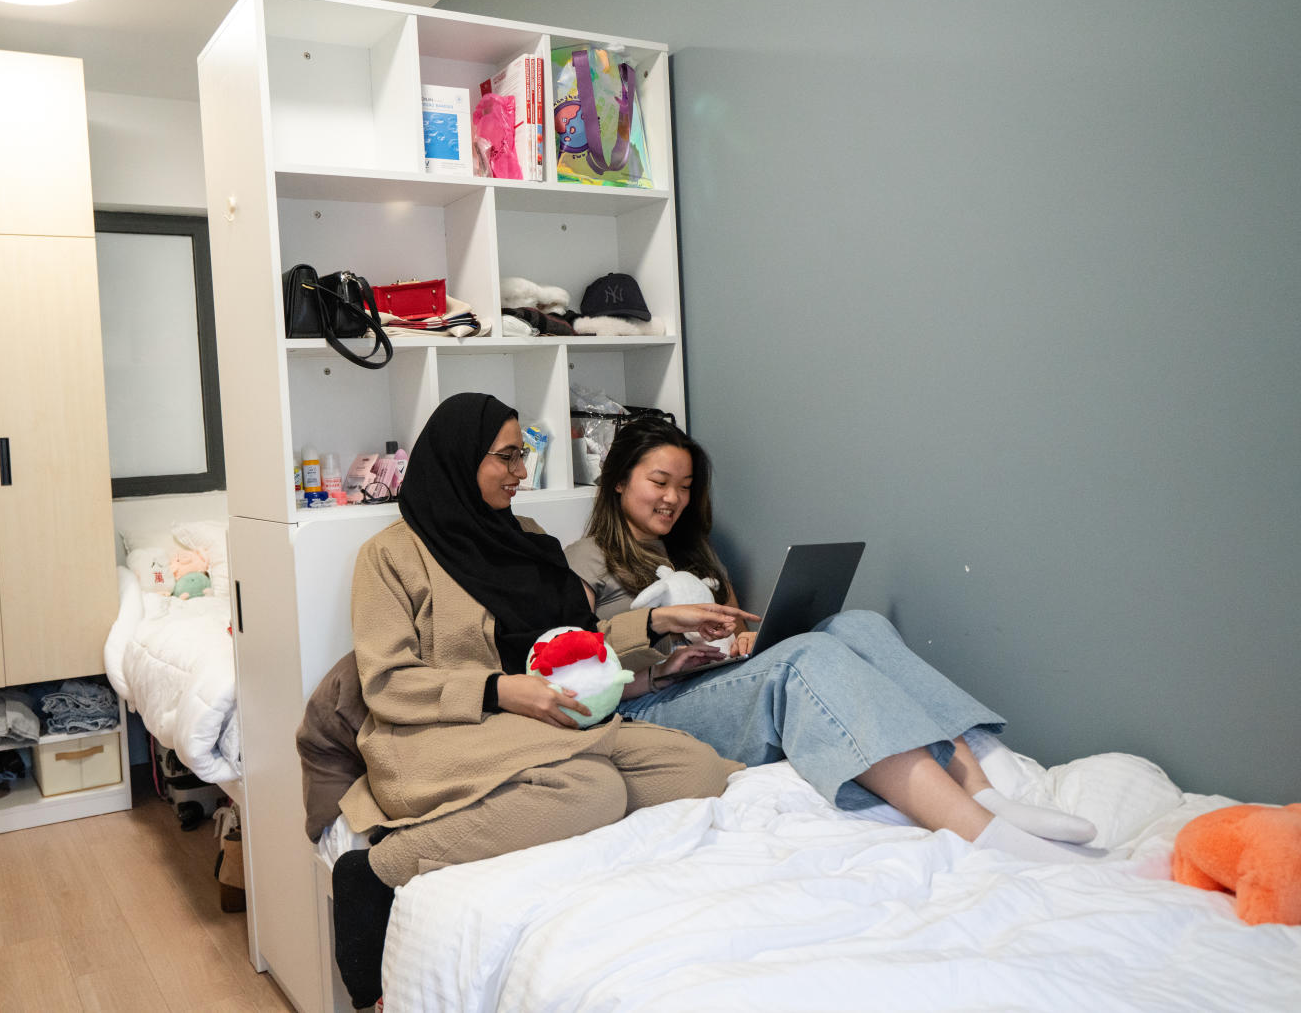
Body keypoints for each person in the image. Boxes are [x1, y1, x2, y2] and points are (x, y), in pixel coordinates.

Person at [331, 393, 748, 1010]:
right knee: (592, 789)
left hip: (548, 716)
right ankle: (380, 871)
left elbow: (578, 646)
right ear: (460, 458)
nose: (521, 472)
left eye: (521, 455)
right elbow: (388, 682)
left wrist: (657, 622)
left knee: (702, 770)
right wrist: (500, 688)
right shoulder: (391, 556)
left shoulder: (526, 538)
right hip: (442, 731)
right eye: (505, 457)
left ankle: (569, 787)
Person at [564, 416, 1106, 866]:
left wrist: (745, 641)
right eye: (660, 482)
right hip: (653, 707)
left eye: (685, 487)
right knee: (810, 656)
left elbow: (736, 628)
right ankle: (982, 833)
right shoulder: (581, 562)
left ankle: (984, 793)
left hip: (716, 682)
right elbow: (578, 679)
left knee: (858, 625)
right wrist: (663, 658)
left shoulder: (694, 552)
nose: (674, 499)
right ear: (618, 480)